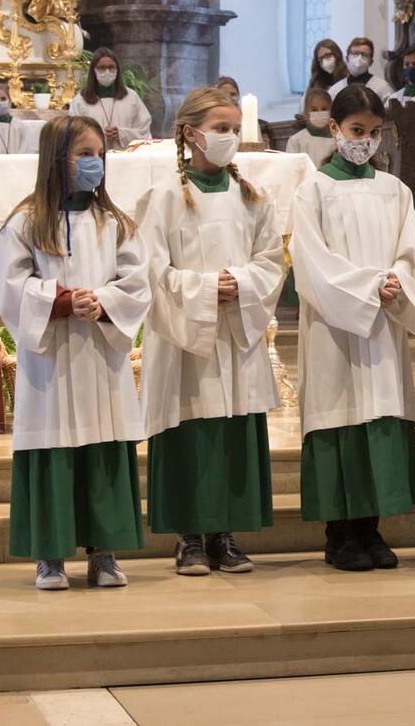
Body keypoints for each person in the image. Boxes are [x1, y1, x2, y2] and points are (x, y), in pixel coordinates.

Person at [0, 115, 151, 590]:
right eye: (84, 155)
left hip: (100, 355)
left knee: (103, 447)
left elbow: (137, 283)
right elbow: (9, 287)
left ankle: (104, 553)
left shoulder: (115, 222)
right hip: (53, 359)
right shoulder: (25, 222)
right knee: (53, 448)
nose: (94, 164)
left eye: (99, 155)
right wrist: (58, 301)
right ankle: (50, 555)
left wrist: (102, 302)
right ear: (55, 159)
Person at [137, 87, 285, 577]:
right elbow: (150, 271)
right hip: (186, 338)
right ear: (189, 134)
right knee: (189, 432)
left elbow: (271, 262)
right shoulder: (161, 199)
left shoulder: (253, 197)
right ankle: (189, 538)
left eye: (233, 128)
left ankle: (225, 534)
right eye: (220, 128)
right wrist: (204, 288)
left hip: (235, 331)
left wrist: (239, 284)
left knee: (232, 432)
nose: (229, 137)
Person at [291, 86, 415, 571]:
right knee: (340, 420)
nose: (366, 142)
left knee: (378, 418)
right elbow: (311, 262)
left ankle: (372, 529)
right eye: (357, 131)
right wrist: (368, 287)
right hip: (333, 327)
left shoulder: (394, 190)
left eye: (374, 133)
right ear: (333, 129)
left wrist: (397, 281)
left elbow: (410, 251)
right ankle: (339, 535)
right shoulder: (313, 190)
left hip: (381, 325)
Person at [68, 48, 153, 149]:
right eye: (101, 68)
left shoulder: (131, 97)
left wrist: (121, 134)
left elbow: (144, 131)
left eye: (111, 67)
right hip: (94, 158)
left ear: (117, 69)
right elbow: (72, 132)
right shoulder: (80, 101)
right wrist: (98, 136)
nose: (107, 72)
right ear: (93, 71)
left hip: (125, 157)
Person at [0, 82, 39, 154]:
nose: (0, 103)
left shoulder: (20, 126)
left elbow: (25, 151)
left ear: (10, 100)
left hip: (15, 164)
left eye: (3, 99)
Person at [327, 37, 392, 102]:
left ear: (371, 62)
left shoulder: (383, 88)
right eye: (355, 53)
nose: (359, 58)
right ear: (347, 58)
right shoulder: (335, 90)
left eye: (364, 55)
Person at [285, 88, 336, 169]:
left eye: (324, 109)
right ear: (306, 113)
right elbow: (291, 169)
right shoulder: (296, 141)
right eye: (314, 110)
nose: (319, 113)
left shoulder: (338, 139)